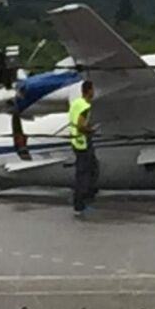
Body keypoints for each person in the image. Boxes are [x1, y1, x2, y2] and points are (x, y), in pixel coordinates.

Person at [69, 80, 98, 215]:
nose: (94, 92)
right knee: (84, 175)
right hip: (83, 143)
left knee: (92, 169)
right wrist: (91, 130)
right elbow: (81, 125)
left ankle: (84, 200)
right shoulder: (85, 106)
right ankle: (79, 205)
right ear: (89, 90)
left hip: (76, 141)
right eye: (93, 89)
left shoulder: (76, 103)